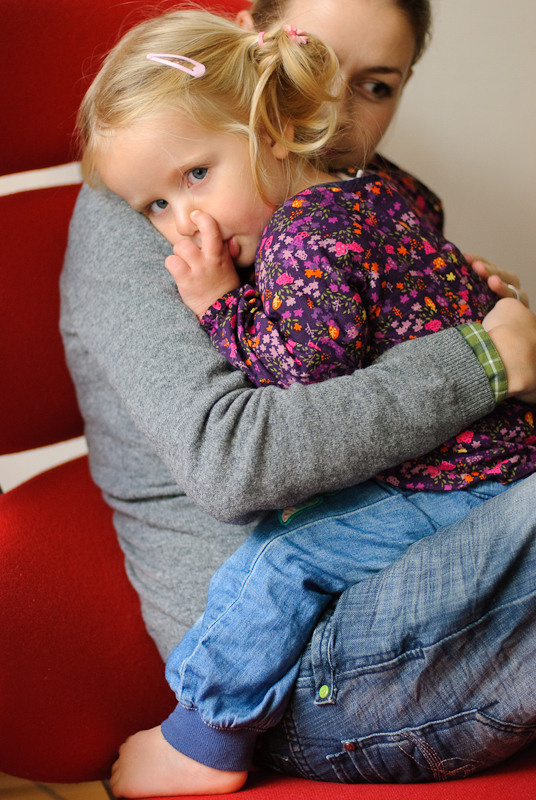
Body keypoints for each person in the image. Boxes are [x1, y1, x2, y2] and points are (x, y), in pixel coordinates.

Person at [60, 0, 536, 796]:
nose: (333, 110)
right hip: (287, 660)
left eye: (376, 86)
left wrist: (468, 309)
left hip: (440, 549)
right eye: (307, 56)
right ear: (250, 42)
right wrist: (481, 359)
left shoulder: (374, 201)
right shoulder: (142, 198)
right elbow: (235, 464)